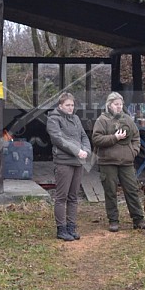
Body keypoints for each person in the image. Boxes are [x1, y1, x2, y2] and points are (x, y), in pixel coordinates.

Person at [92, 91, 145, 232]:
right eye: (116, 104)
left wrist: (133, 152)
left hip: (126, 162)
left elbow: (136, 137)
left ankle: (138, 219)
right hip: (107, 162)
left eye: (121, 104)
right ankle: (113, 221)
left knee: (132, 190)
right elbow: (96, 139)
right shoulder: (102, 120)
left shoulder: (128, 119)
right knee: (110, 192)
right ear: (109, 105)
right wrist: (114, 138)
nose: (119, 107)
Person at [46, 92, 92, 241]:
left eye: (72, 105)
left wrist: (86, 150)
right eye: (67, 105)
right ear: (60, 106)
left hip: (78, 161)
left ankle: (71, 227)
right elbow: (58, 140)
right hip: (64, 161)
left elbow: (83, 136)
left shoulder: (76, 119)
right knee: (61, 197)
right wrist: (77, 151)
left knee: (73, 197)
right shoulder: (53, 119)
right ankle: (61, 229)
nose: (70, 108)